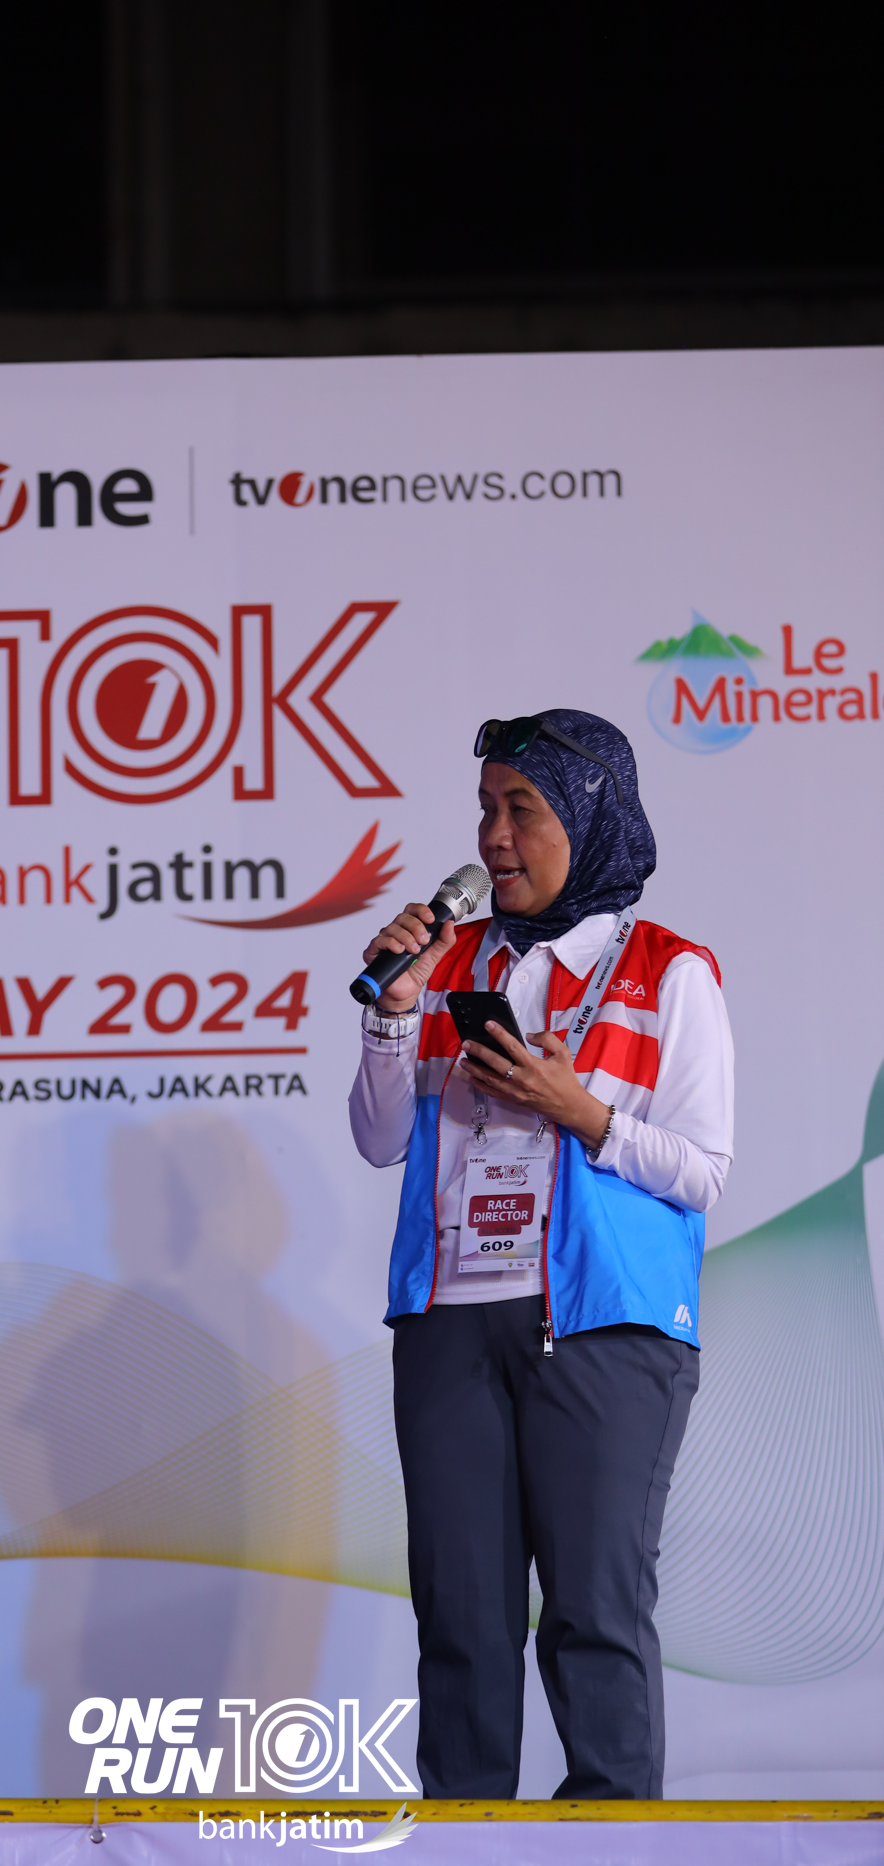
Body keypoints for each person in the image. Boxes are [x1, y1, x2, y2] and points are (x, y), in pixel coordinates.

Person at [349, 709, 733, 1800]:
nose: (493, 837)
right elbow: (378, 1139)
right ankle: (462, 1857)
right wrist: (393, 1014)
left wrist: (582, 1112)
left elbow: (702, 1170)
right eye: (485, 810)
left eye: (522, 810)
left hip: (602, 1323)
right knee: (460, 1615)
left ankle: (611, 1860)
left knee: (592, 1614)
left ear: (590, 818)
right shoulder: (448, 963)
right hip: (448, 1318)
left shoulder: (668, 970)